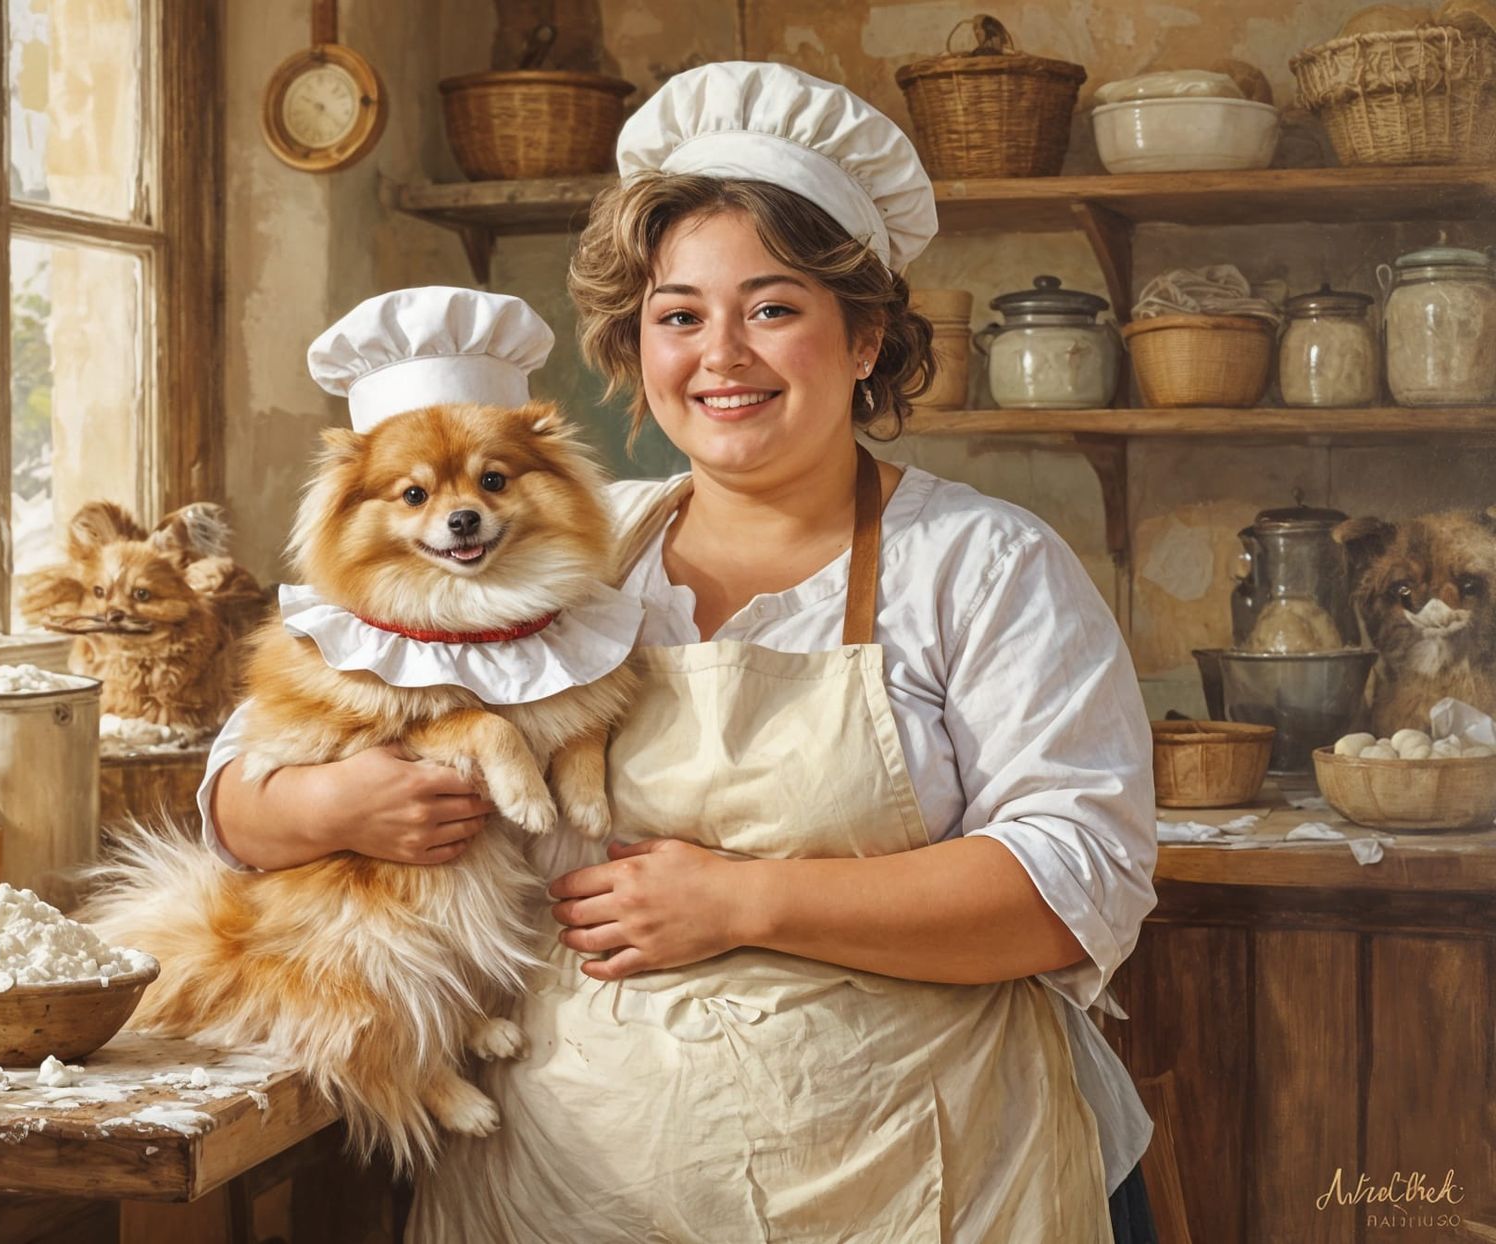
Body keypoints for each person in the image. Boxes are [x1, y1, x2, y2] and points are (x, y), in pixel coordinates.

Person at [203, 61, 1159, 1244]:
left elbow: (1074, 884)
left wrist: (743, 898)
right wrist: (342, 803)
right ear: (633, 345)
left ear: (864, 335)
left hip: (919, 1179)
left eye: (771, 307)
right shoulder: (555, 550)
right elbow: (240, 795)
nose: (721, 356)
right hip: (564, 1191)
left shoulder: (982, 564)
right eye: (677, 316)